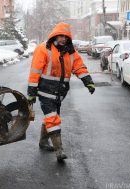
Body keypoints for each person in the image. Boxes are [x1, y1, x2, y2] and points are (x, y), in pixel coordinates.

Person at [27, 22, 95, 162]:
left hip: (60, 93)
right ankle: (59, 150)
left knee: (53, 117)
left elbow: (79, 67)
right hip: (45, 92)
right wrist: (31, 92)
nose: (63, 39)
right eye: (60, 36)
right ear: (55, 35)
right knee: (53, 118)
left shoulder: (71, 52)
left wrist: (88, 81)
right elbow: (35, 71)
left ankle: (43, 142)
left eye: (66, 36)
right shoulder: (43, 49)